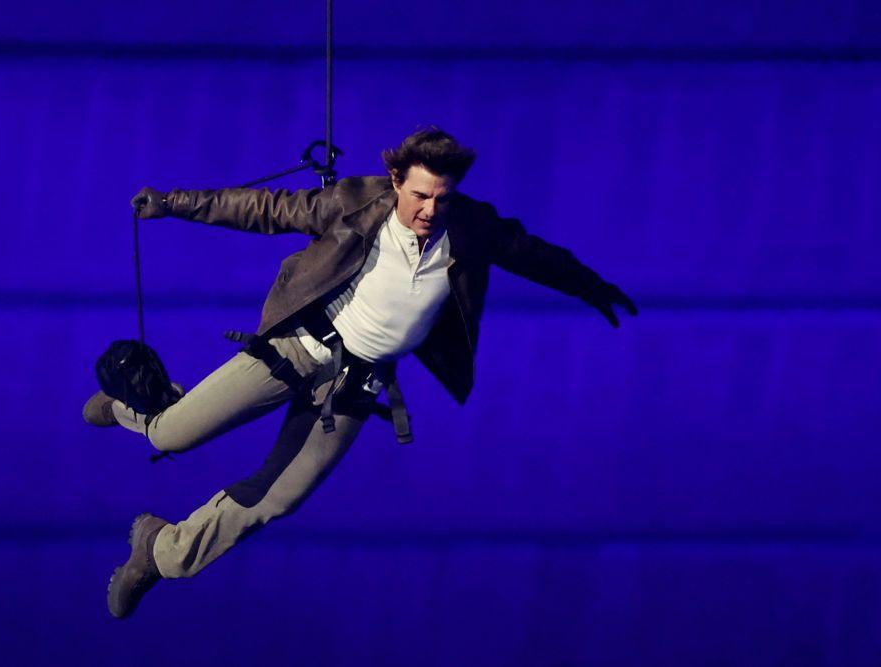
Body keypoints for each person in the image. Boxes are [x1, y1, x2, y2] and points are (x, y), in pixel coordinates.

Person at [83, 127, 637, 619]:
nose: (428, 210)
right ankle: (125, 409)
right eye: (419, 195)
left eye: (441, 199)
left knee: (280, 497)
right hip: (297, 348)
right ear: (396, 179)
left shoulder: (470, 227)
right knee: (172, 432)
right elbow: (265, 209)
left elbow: (534, 254)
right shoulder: (355, 202)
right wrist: (173, 202)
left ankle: (161, 552)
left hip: (353, 384)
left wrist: (592, 287)